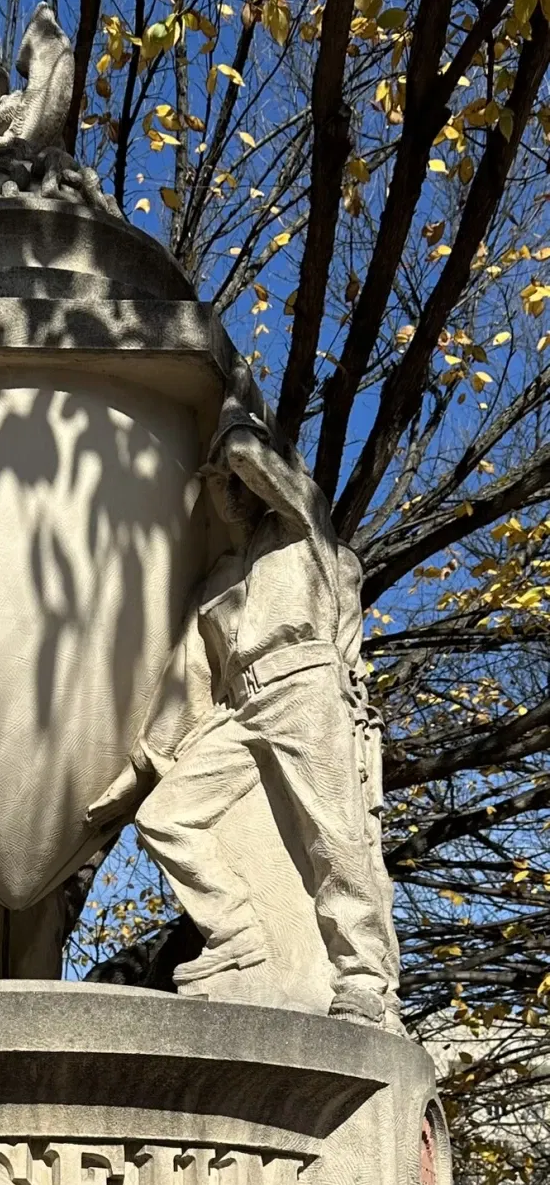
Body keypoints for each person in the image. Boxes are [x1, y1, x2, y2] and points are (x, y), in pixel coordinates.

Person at [88, 409, 392, 1024]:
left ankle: (363, 978)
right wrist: (131, 780)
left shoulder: (303, 530)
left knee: (333, 837)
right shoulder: (217, 583)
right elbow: (187, 692)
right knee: (167, 818)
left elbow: (258, 461)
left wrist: (233, 428)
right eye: (215, 481)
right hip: (244, 707)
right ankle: (238, 936)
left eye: (231, 480)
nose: (225, 491)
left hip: (307, 690)